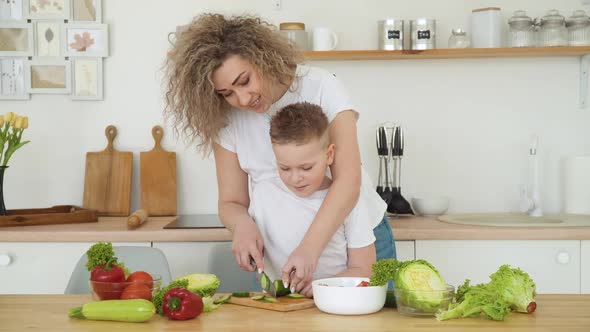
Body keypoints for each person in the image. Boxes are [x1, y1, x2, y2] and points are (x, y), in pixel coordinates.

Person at [164, 13, 396, 295]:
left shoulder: (321, 86)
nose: (243, 99)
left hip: (356, 241)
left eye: (245, 80)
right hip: (279, 256)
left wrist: (310, 249)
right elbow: (231, 201)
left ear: (261, 57)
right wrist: (241, 226)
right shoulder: (226, 119)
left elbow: (348, 181)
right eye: (227, 93)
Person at [246, 102, 377, 296]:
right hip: (280, 311)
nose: (295, 178)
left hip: (334, 309)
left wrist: (323, 287)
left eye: (306, 168)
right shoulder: (262, 194)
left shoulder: (349, 201)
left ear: (329, 155)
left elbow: (366, 270)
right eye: (284, 168)